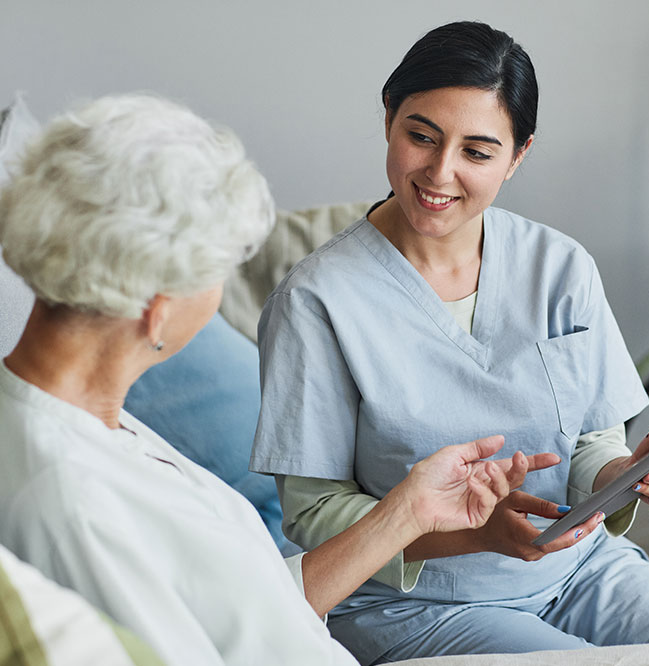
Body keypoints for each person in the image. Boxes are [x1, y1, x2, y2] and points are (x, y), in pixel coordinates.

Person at [0, 93, 551, 665]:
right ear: (157, 310)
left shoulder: (82, 422)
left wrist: (407, 512)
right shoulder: (72, 500)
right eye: (217, 274)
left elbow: (253, 614)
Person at [249, 20, 649, 665]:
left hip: (578, 570)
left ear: (518, 154)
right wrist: (471, 534)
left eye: (477, 152)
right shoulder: (317, 301)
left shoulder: (559, 268)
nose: (439, 173)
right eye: (421, 136)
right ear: (389, 116)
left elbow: (588, 446)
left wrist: (630, 475)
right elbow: (313, 516)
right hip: (417, 606)